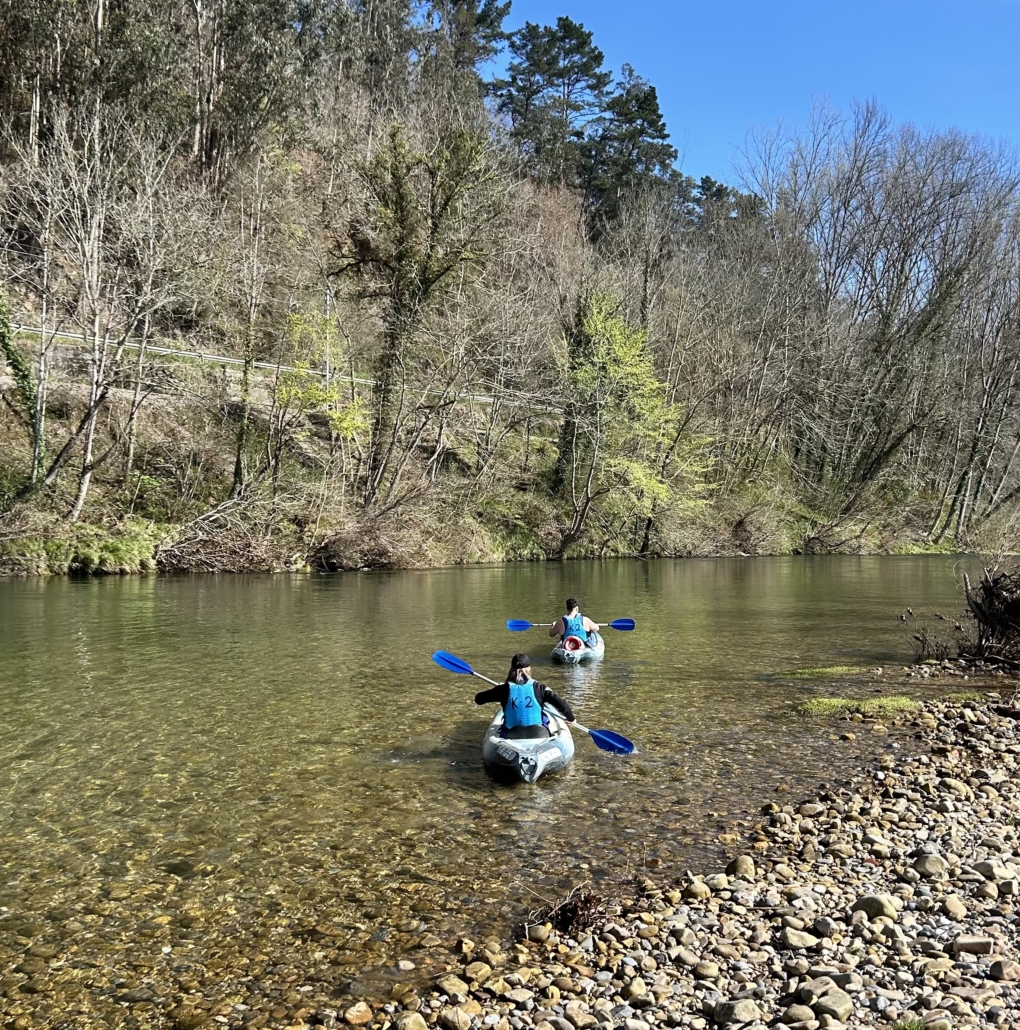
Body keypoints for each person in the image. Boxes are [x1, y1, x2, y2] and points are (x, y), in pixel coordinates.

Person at [474, 653, 575, 739]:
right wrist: (571, 719)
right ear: (529, 669)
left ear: (511, 670)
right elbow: (563, 706)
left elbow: (479, 699)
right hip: (539, 734)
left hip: (512, 736)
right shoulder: (540, 687)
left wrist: (498, 690)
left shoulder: (504, 689)